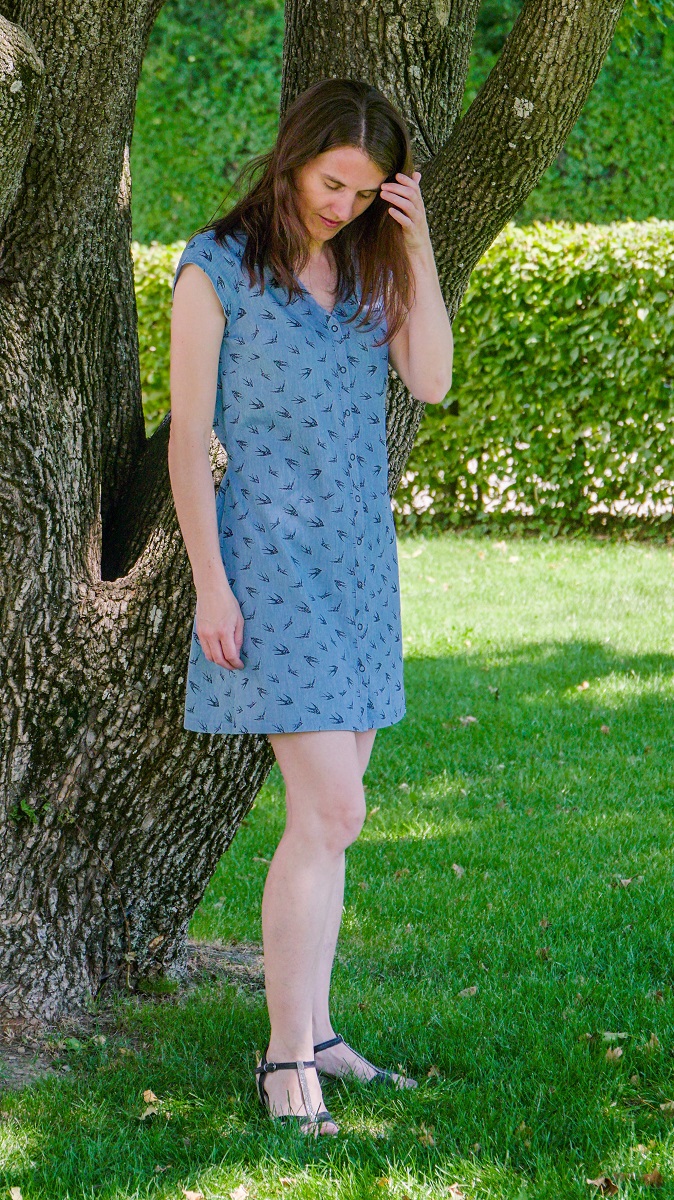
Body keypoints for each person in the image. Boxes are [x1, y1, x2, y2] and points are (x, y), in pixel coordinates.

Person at [169, 77, 454, 1137]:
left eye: (366, 191)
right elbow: (186, 437)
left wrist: (416, 244)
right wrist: (210, 582)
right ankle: (285, 1057)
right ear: (292, 158)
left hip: (359, 566)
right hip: (268, 565)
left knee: (324, 824)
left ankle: (319, 1033)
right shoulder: (215, 268)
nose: (343, 205)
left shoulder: (375, 265)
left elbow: (430, 380)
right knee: (334, 811)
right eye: (333, 182)